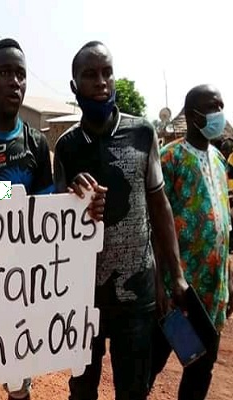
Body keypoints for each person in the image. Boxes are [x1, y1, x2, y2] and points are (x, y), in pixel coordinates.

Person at [0, 38, 106, 400]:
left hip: (18, 288)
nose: (15, 81)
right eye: (4, 73)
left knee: (18, 385)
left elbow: (45, 221)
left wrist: (77, 205)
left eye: (20, 74)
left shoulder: (36, 144)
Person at [53, 41, 188, 400]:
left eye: (107, 72)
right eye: (90, 74)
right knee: (82, 391)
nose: (101, 82)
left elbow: (160, 208)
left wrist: (173, 275)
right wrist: (70, 200)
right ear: (74, 86)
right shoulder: (66, 147)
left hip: (137, 295)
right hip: (83, 299)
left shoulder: (143, 134)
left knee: (133, 390)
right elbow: (53, 227)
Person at [149, 84, 233, 400]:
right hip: (176, 297)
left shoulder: (219, 160)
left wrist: (227, 278)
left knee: (200, 370)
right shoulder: (169, 159)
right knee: (151, 365)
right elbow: (154, 226)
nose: (219, 114)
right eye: (214, 107)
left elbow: (223, 224)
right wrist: (158, 285)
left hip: (210, 295)